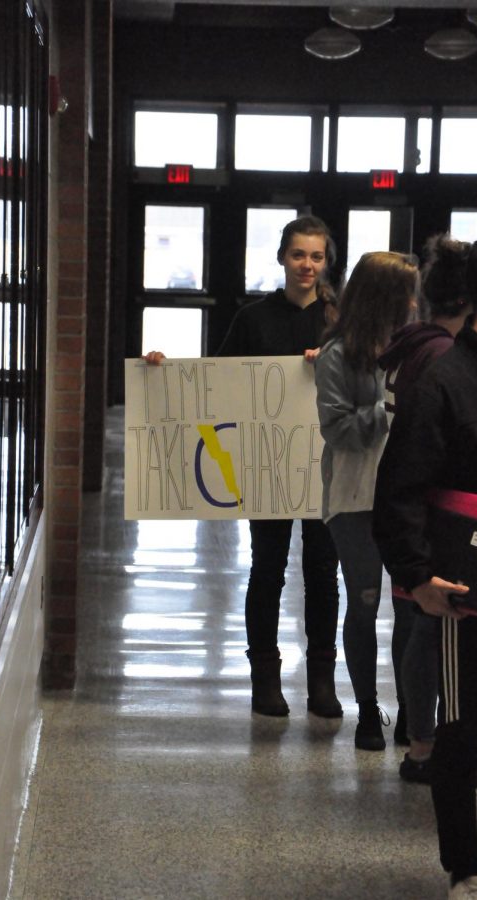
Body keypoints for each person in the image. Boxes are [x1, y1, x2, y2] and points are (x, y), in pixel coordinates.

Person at [373, 230, 477, 899]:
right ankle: (464, 868)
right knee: (463, 728)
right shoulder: (444, 380)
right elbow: (399, 492)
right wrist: (417, 577)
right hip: (471, 591)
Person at [215, 215, 343, 719]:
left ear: (326, 261)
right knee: (267, 570)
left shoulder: (340, 321)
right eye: (298, 255)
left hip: (325, 467)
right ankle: (264, 678)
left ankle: (321, 681)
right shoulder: (253, 318)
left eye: (316, 256)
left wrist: (328, 365)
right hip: (267, 465)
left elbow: (362, 382)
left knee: (323, 575)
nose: (307, 265)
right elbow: (217, 379)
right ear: (282, 259)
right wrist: (160, 371)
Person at [378, 234, 476, 774]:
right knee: (428, 626)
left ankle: (422, 735)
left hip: (416, 508)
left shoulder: (413, 344)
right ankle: (422, 740)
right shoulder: (441, 353)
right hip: (433, 509)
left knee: (420, 623)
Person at [314, 250, 419, 750]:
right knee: (364, 605)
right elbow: (338, 430)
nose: (416, 303)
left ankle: (412, 713)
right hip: (354, 498)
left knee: (412, 607)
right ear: (387, 298)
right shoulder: (338, 355)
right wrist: (389, 404)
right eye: (408, 293)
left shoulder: (417, 349)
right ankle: (367, 713)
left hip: (405, 498)